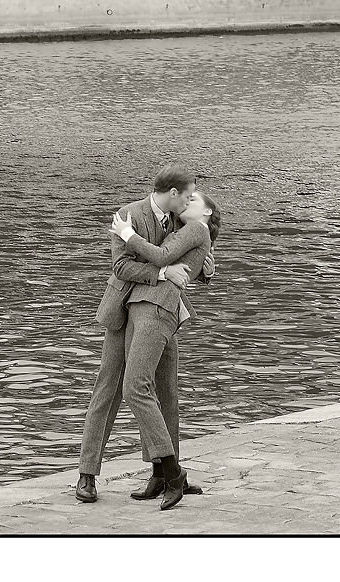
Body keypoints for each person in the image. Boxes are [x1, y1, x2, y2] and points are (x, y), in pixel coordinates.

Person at [76, 164, 216, 506]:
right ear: (173, 193)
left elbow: (192, 256)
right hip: (123, 309)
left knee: (166, 389)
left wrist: (205, 268)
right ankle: (87, 475)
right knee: (108, 389)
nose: (188, 200)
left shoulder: (181, 219)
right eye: (187, 194)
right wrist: (163, 271)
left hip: (159, 311)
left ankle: (164, 472)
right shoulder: (129, 215)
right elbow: (121, 267)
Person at [110, 190, 221, 510]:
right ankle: (161, 472)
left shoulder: (196, 229)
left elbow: (160, 257)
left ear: (207, 214)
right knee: (154, 390)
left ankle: (173, 472)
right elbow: (174, 256)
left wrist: (126, 233)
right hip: (143, 306)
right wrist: (206, 268)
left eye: (194, 201)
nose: (187, 203)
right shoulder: (183, 228)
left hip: (159, 308)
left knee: (135, 387)